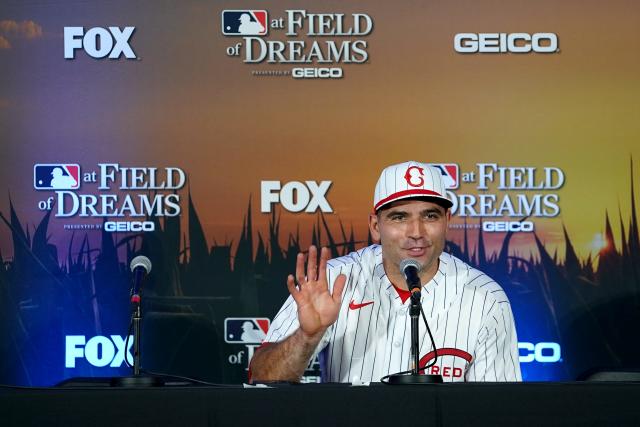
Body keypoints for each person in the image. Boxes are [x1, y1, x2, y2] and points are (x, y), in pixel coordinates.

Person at [250, 161, 521, 383]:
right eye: (399, 217)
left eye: (430, 216)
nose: (416, 233)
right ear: (375, 226)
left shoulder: (486, 298)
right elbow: (260, 376)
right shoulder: (334, 281)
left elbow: (498, 410)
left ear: (447, 221)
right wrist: (307, 336)